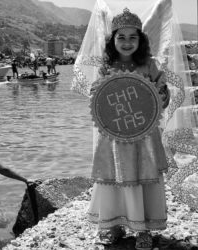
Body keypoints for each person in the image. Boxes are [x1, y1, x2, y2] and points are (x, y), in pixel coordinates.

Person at [87, 8, 171, 250]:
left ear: (140, 40)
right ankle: (113, 224)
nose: (126, 42)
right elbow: (97, 97)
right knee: (113, 179)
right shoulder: (106, 67)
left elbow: (163, 99)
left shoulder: (150, 65)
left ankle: (142, 228)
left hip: (144, 136)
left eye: (132, 37)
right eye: (120, 37)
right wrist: (97, 95)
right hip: (113, 136)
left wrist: (162, 95)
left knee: (143, 179)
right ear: (113, 40)